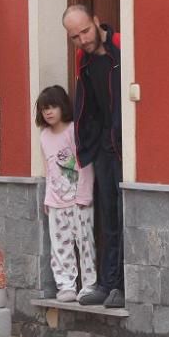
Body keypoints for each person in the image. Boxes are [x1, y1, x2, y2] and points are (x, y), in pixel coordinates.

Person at [62, 4, 124, 308]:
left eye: (85, 31)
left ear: (97, 22)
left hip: (124, 147)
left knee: (124, 216)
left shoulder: (121, 49)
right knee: (107, 216)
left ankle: (120, 286)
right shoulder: (83, 60)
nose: (83, 40)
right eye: (75, 36)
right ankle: (105, 283)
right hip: (102, 147)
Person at [36, 85, 97, 303]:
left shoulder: (73, 130)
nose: (49, 112)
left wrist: (84, 195)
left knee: (85, 243)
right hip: (55, 201)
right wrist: (47, 198)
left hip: (79, 199)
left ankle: (89, 285)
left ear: (63, 106)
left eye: (52, 107)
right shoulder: (43, 135)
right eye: (44, 109)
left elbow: (85, 164)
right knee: (60, 246)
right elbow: (47, 168)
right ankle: (65, 285)